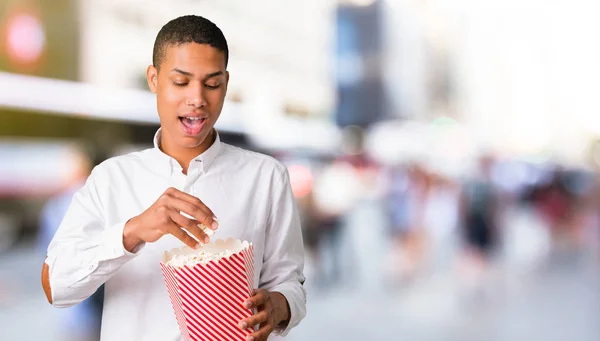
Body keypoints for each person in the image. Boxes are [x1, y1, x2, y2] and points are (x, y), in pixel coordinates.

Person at [41, 15, 306, 341]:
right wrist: (132, 232)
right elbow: (56, 287)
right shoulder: (111, 179)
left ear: (225, 82)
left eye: (211, 84)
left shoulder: (267, 178)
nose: (197, 99)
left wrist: (278, 307)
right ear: (154, 78)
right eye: (181, 82)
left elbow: (289, 282)